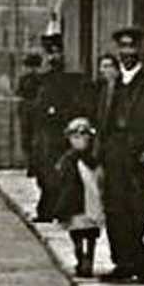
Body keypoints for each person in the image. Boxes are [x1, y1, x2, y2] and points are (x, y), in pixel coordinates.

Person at [97, 25, 144, 282]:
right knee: (115, 209)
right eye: (123, 47)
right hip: (114, 153)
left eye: (132, 46)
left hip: (140, 155)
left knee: (139, 209)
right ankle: (122, 263)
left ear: (141, 49)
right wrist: (100, 155)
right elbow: (101, 121)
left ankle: (141, 264)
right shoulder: (110, 85)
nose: (127, 52)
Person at [28, 33, 85, 221]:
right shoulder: (42, 80)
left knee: (59, 173)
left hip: (60, 132)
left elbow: (72, 106)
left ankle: (55, 210)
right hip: (44, 134)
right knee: (44, 174)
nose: (53, 57)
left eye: (57, 53)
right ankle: (46, 210)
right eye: (50, 54)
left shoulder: (70, 80)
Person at [50, 116, 106, 277]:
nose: (79, 140)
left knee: (86, 234)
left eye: (83, 136)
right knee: (82, 234)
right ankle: (83, 258)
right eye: (75, 137)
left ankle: (85, 259)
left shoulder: (77, 158)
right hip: (79, 203)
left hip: (84, 203)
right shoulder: (73, 159)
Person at [15, 52, 44, 170]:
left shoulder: (41, 79)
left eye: (34, 67)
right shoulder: (24, 79)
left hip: (36, 110)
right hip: (26, 110)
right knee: (26, 138)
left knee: (36, 138)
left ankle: (36, 164)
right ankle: (30, 164)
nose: (32, 69)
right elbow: (19, 92)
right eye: (30, 67)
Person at [90, 52, 121, 129]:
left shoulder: (124, 87)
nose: (101, 70)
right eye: (101, 67)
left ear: (116, 68)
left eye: (106, 66)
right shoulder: (99, 87)